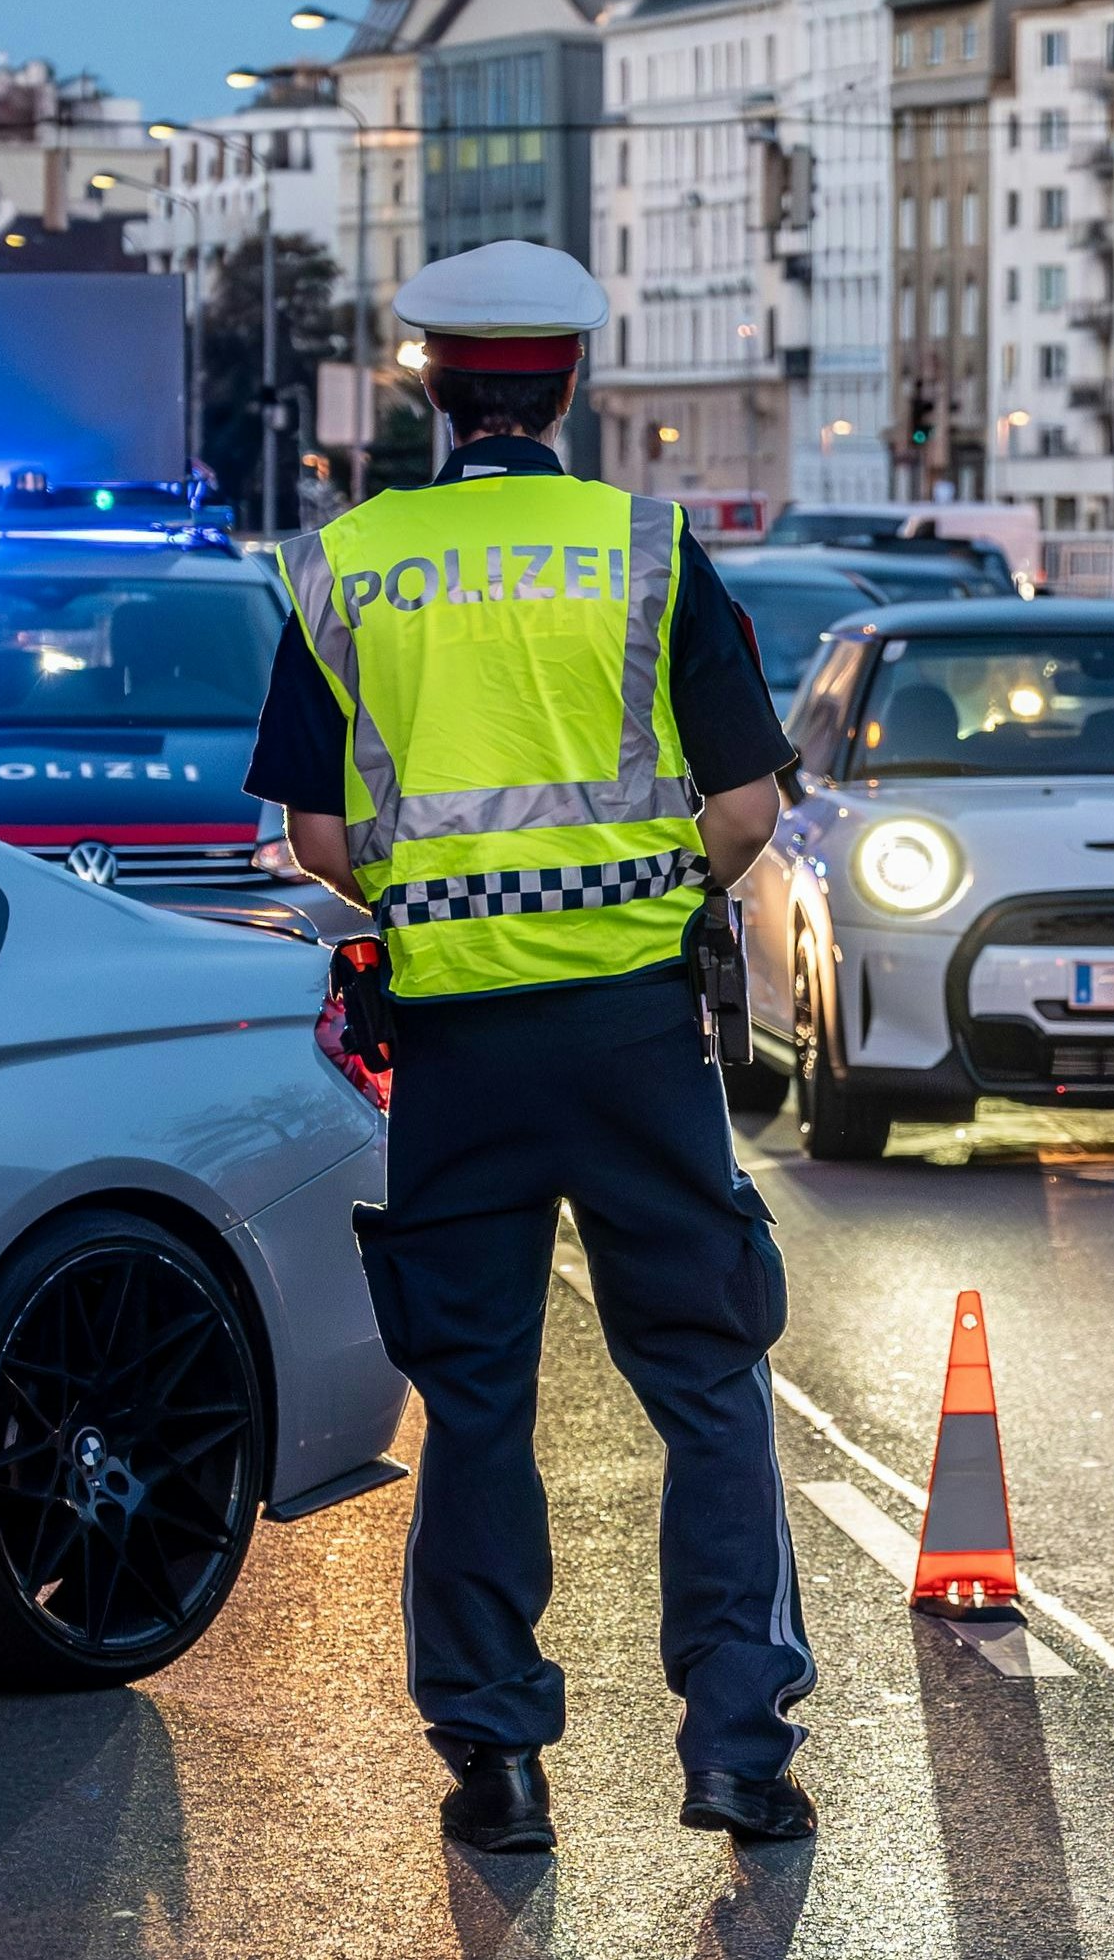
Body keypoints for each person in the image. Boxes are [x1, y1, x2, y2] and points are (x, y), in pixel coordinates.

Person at [243, 239, 817, 1859]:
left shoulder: (348, 564)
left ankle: (496, 1762)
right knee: (707, 1388)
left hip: (458, 1063)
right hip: (635, 1043)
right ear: (570, 382)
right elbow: (747, 807)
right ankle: (738, 1753)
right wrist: (639, 894)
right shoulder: (642, 548)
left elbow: (319, 834)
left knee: (479, 1410)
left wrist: (448, 902)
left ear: (429, 384)